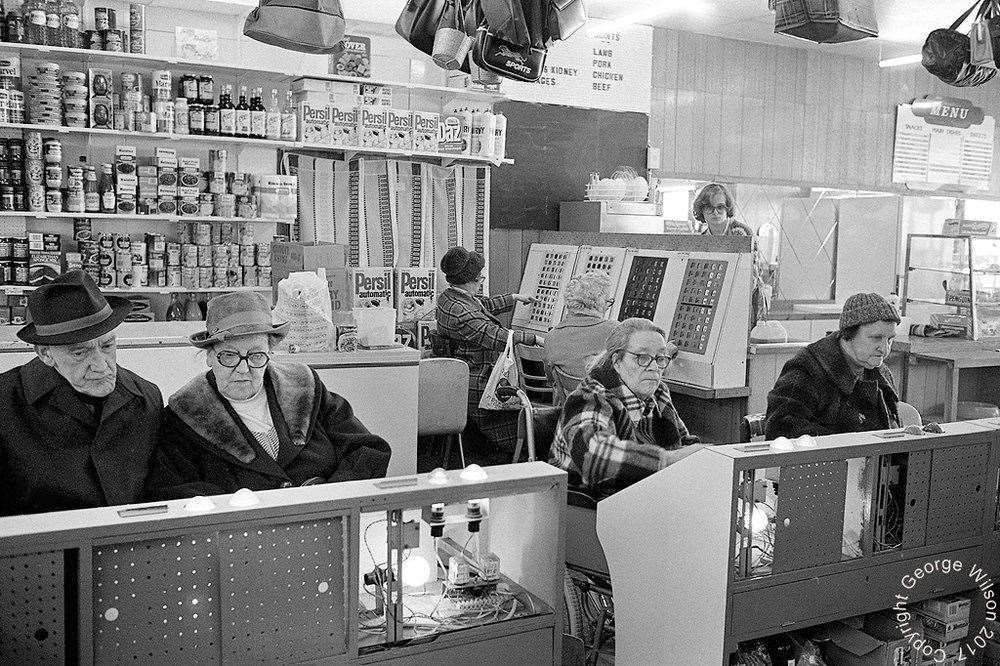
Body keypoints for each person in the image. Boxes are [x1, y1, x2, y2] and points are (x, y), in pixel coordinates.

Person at [148, 292, 391, 499]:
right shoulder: (184, 416)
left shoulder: (305, 389)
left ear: (270, 353)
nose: (243, 369)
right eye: (229, 356)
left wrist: (326, 498)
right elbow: (172, 491)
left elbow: (367, 451)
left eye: (255, 356)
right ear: (210, 356)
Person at [0, 270, 163, 516]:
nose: (101, 365)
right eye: (80, 353)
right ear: (45, 354)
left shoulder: (147, 398)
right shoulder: (5, 402)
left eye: (107, 345)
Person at [549, 318, 702, 499]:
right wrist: (668, 460)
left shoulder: (659, 392)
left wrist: (708, 457)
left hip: (643, 498)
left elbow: (683, 442)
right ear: (617, 361)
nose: (654, 367)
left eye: (660, 358)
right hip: (587, 508)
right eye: (642, 357)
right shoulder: (591, 396)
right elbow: (592, 455)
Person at [433, 246, 541, 466]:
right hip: (478, 384)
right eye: (480, 278)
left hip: (463, 378)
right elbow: (496, 335)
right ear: (470, 279)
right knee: (527, 416)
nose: (481, 281)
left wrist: (514, 298)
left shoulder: (450, 298)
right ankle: (520, 461)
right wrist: (535, 339)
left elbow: (483, 305)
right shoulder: (462, 312)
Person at [765, 292, 901, 439]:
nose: (885, 349)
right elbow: (780, 431)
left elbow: (892, 428)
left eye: (889, 339)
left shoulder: (881, 373)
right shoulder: (806, 369)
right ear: (849, 334)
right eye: (876, 338)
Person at [543, 270, 616, 400]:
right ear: (598, 303)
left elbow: (550, 380)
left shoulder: (550, 338)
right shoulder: (615, 331)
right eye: (608, 302)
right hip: (609, 410)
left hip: (572, 409)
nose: (607, 307)